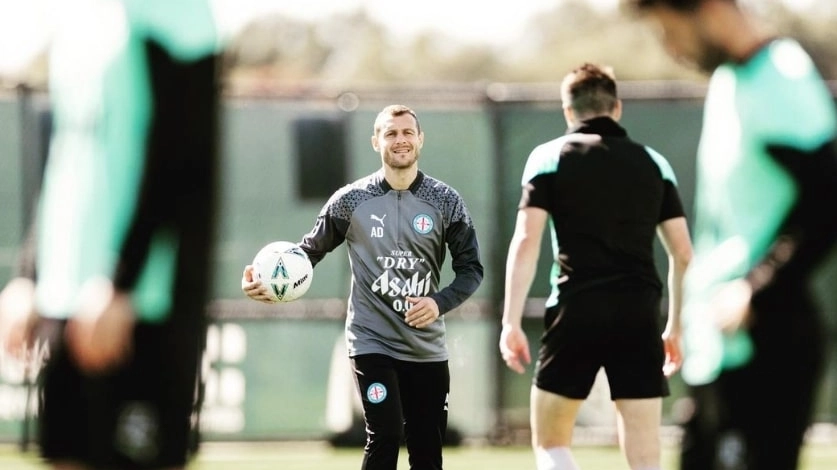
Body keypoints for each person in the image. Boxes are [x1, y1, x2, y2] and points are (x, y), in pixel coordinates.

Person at [0, 1, 226, 468]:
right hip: (69, 301)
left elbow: (183, 162)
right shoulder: (79, 18)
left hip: (139, 307)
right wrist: (31, 274)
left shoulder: (176, 16)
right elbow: (67, 156)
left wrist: (120, 279)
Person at [626, 1, 837, 469]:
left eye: (669, 30)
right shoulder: (730, 83)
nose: (670, 47)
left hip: (765, 344)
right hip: (718, 347)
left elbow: (828, 199)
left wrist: (755, 286)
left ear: (712, 9)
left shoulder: (780, 78)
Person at [242, 104, 484, 470]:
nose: (399, 140)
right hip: (372, 343)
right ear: (376, 141)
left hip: (426, 348)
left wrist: (438, 302)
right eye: (390, 133)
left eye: (406, 133)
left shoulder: (445, 201)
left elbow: (471, 270)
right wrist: (269, 283)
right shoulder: (350, 200)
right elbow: (308, 253)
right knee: (384, 435)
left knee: (426, 450)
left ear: (420, 139)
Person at [499, 63, 693, 470]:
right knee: (645, 457)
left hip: (576, 311)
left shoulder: (548, 157)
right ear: (616, 108)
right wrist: (674, 327)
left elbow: (526, 241)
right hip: (639, 315)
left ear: (569, 111)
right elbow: (683, 254)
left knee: (551, 443)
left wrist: (511, 321)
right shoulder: (654, 162)